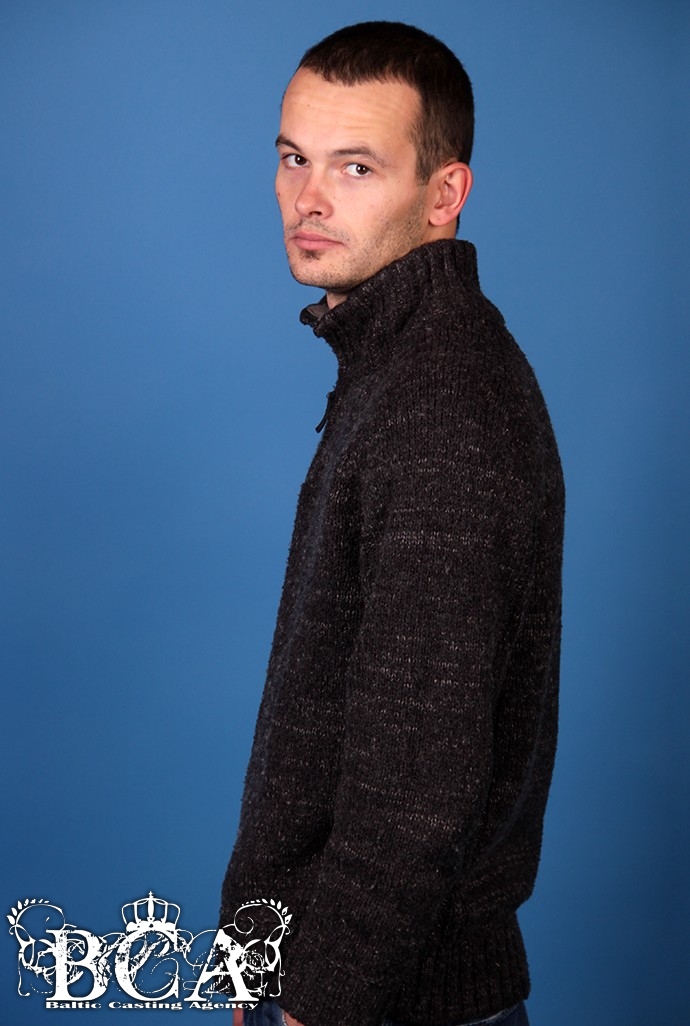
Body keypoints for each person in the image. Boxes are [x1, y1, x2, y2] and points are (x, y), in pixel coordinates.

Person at [220, 21, 564, 1026]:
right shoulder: (398, 364)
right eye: (294, 158)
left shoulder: (442, 405)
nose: (309, 198)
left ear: (444, 194)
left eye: (356, 167)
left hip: (385, 1004)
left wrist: (311, 1002)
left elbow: (419, 788)